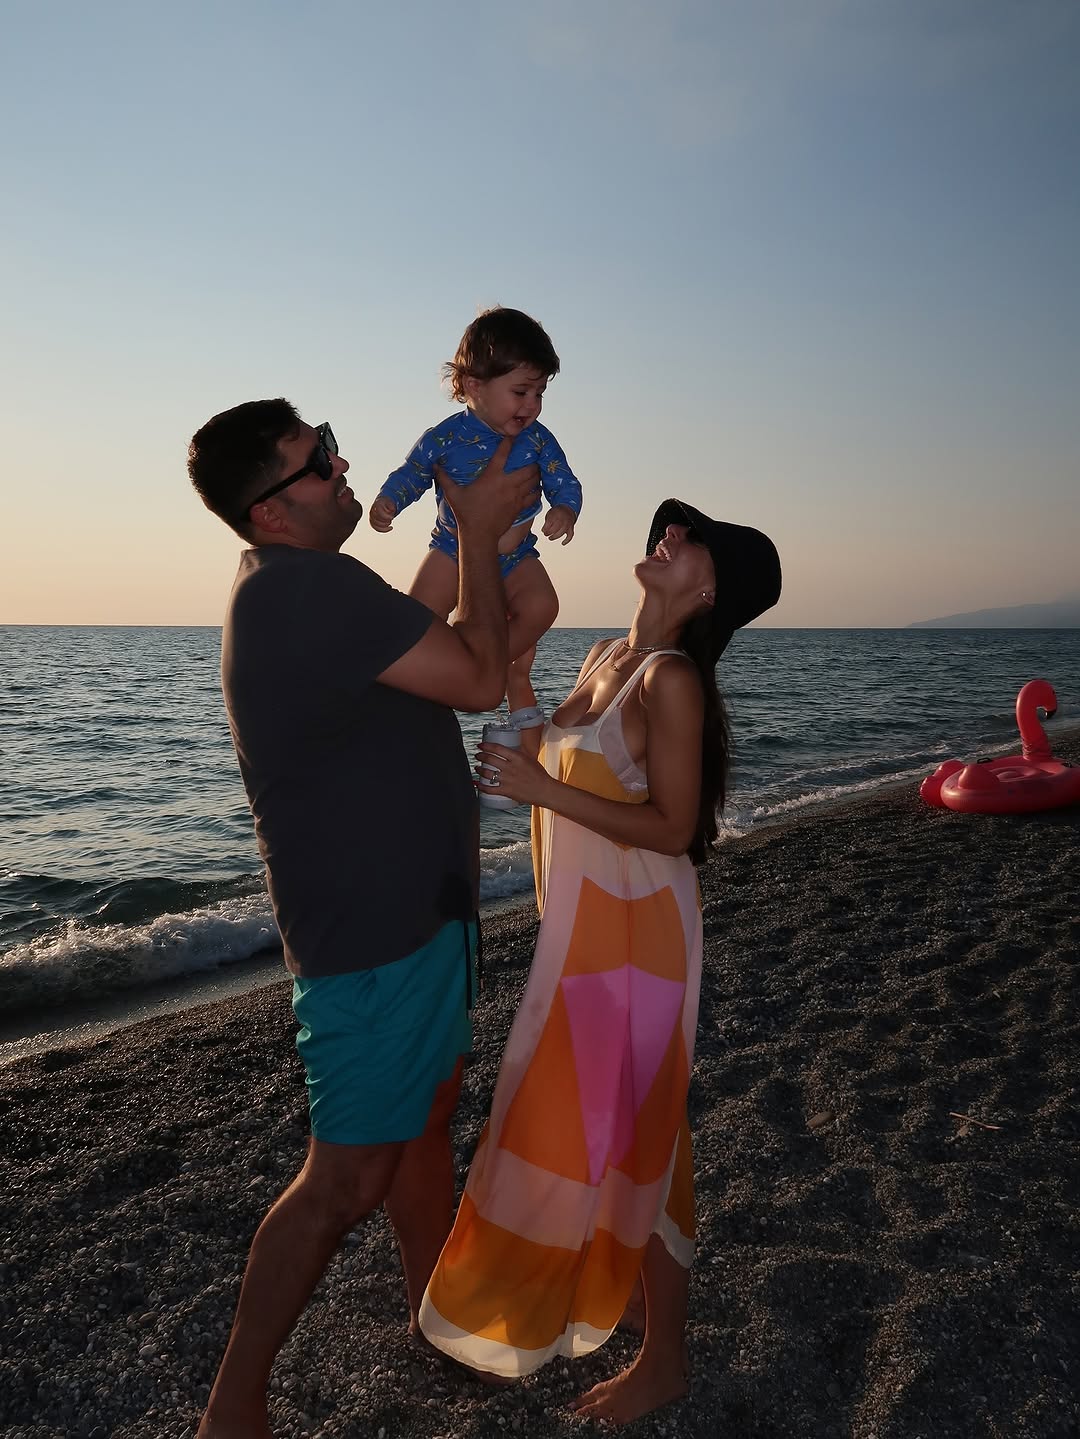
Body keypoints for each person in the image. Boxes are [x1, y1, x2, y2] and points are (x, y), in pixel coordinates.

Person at [185, 398, 539, 1439]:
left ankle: (441, 1318)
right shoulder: (309, 589)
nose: (344, 467)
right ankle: (232, 1409)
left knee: (424, 1124)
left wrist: (474, 547)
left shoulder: (293, 585)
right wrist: (479, 529)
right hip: (377, 941)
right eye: (318, 461)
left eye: (332, 446)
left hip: (415, 921)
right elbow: (478, 676)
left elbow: (445, 654)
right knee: (343, 1177)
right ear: (270, 510)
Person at [418, 499, 782, 1424]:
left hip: (640, 938)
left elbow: (674, 826)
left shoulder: (671, 679)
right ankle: (619, 1319)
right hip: (584, 928)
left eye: (692, 538)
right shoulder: (604, 657)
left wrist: (541, 787)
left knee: (630, 1126)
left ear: (710, 591)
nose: (671, 534)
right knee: (617, 1125)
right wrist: (520, 687)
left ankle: (660, 1358)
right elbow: (553, 752)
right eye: (675, 526)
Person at [368, 306, 582, 689]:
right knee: (416, 622)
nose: (532, 404)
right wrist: (390, 501)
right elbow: (413, 472)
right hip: (451, 550)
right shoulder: (443, 438)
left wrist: (565, 508)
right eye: (520, 391)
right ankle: (421, 678)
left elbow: (562, 478)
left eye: (539, 393)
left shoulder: (538, 439)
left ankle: (486, 664)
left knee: (543, 606)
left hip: (516, 556)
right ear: (474, 386)